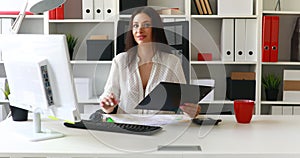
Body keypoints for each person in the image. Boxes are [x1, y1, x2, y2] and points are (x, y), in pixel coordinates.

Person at [99, 7, 200, 118]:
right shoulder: (120, 61)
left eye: (146, 25)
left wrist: (192, 110)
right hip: (128, 128)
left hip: (163, 129)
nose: (139, 30)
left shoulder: (172, 62)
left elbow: (184, 102)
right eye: (135, 25)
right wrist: (107, 106)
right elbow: (108, 95)